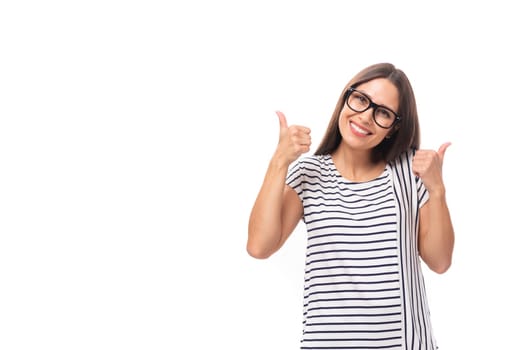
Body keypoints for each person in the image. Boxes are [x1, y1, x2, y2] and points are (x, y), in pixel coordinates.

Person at [246, 62, 455, 350]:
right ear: (347, 96)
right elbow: (259, 246)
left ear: (394, 127)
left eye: (382, 112)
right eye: (361, 99)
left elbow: (440, 261)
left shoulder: (410, 170)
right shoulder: (310, 173)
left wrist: (437, 189)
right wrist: (279, 162)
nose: (366, 117)